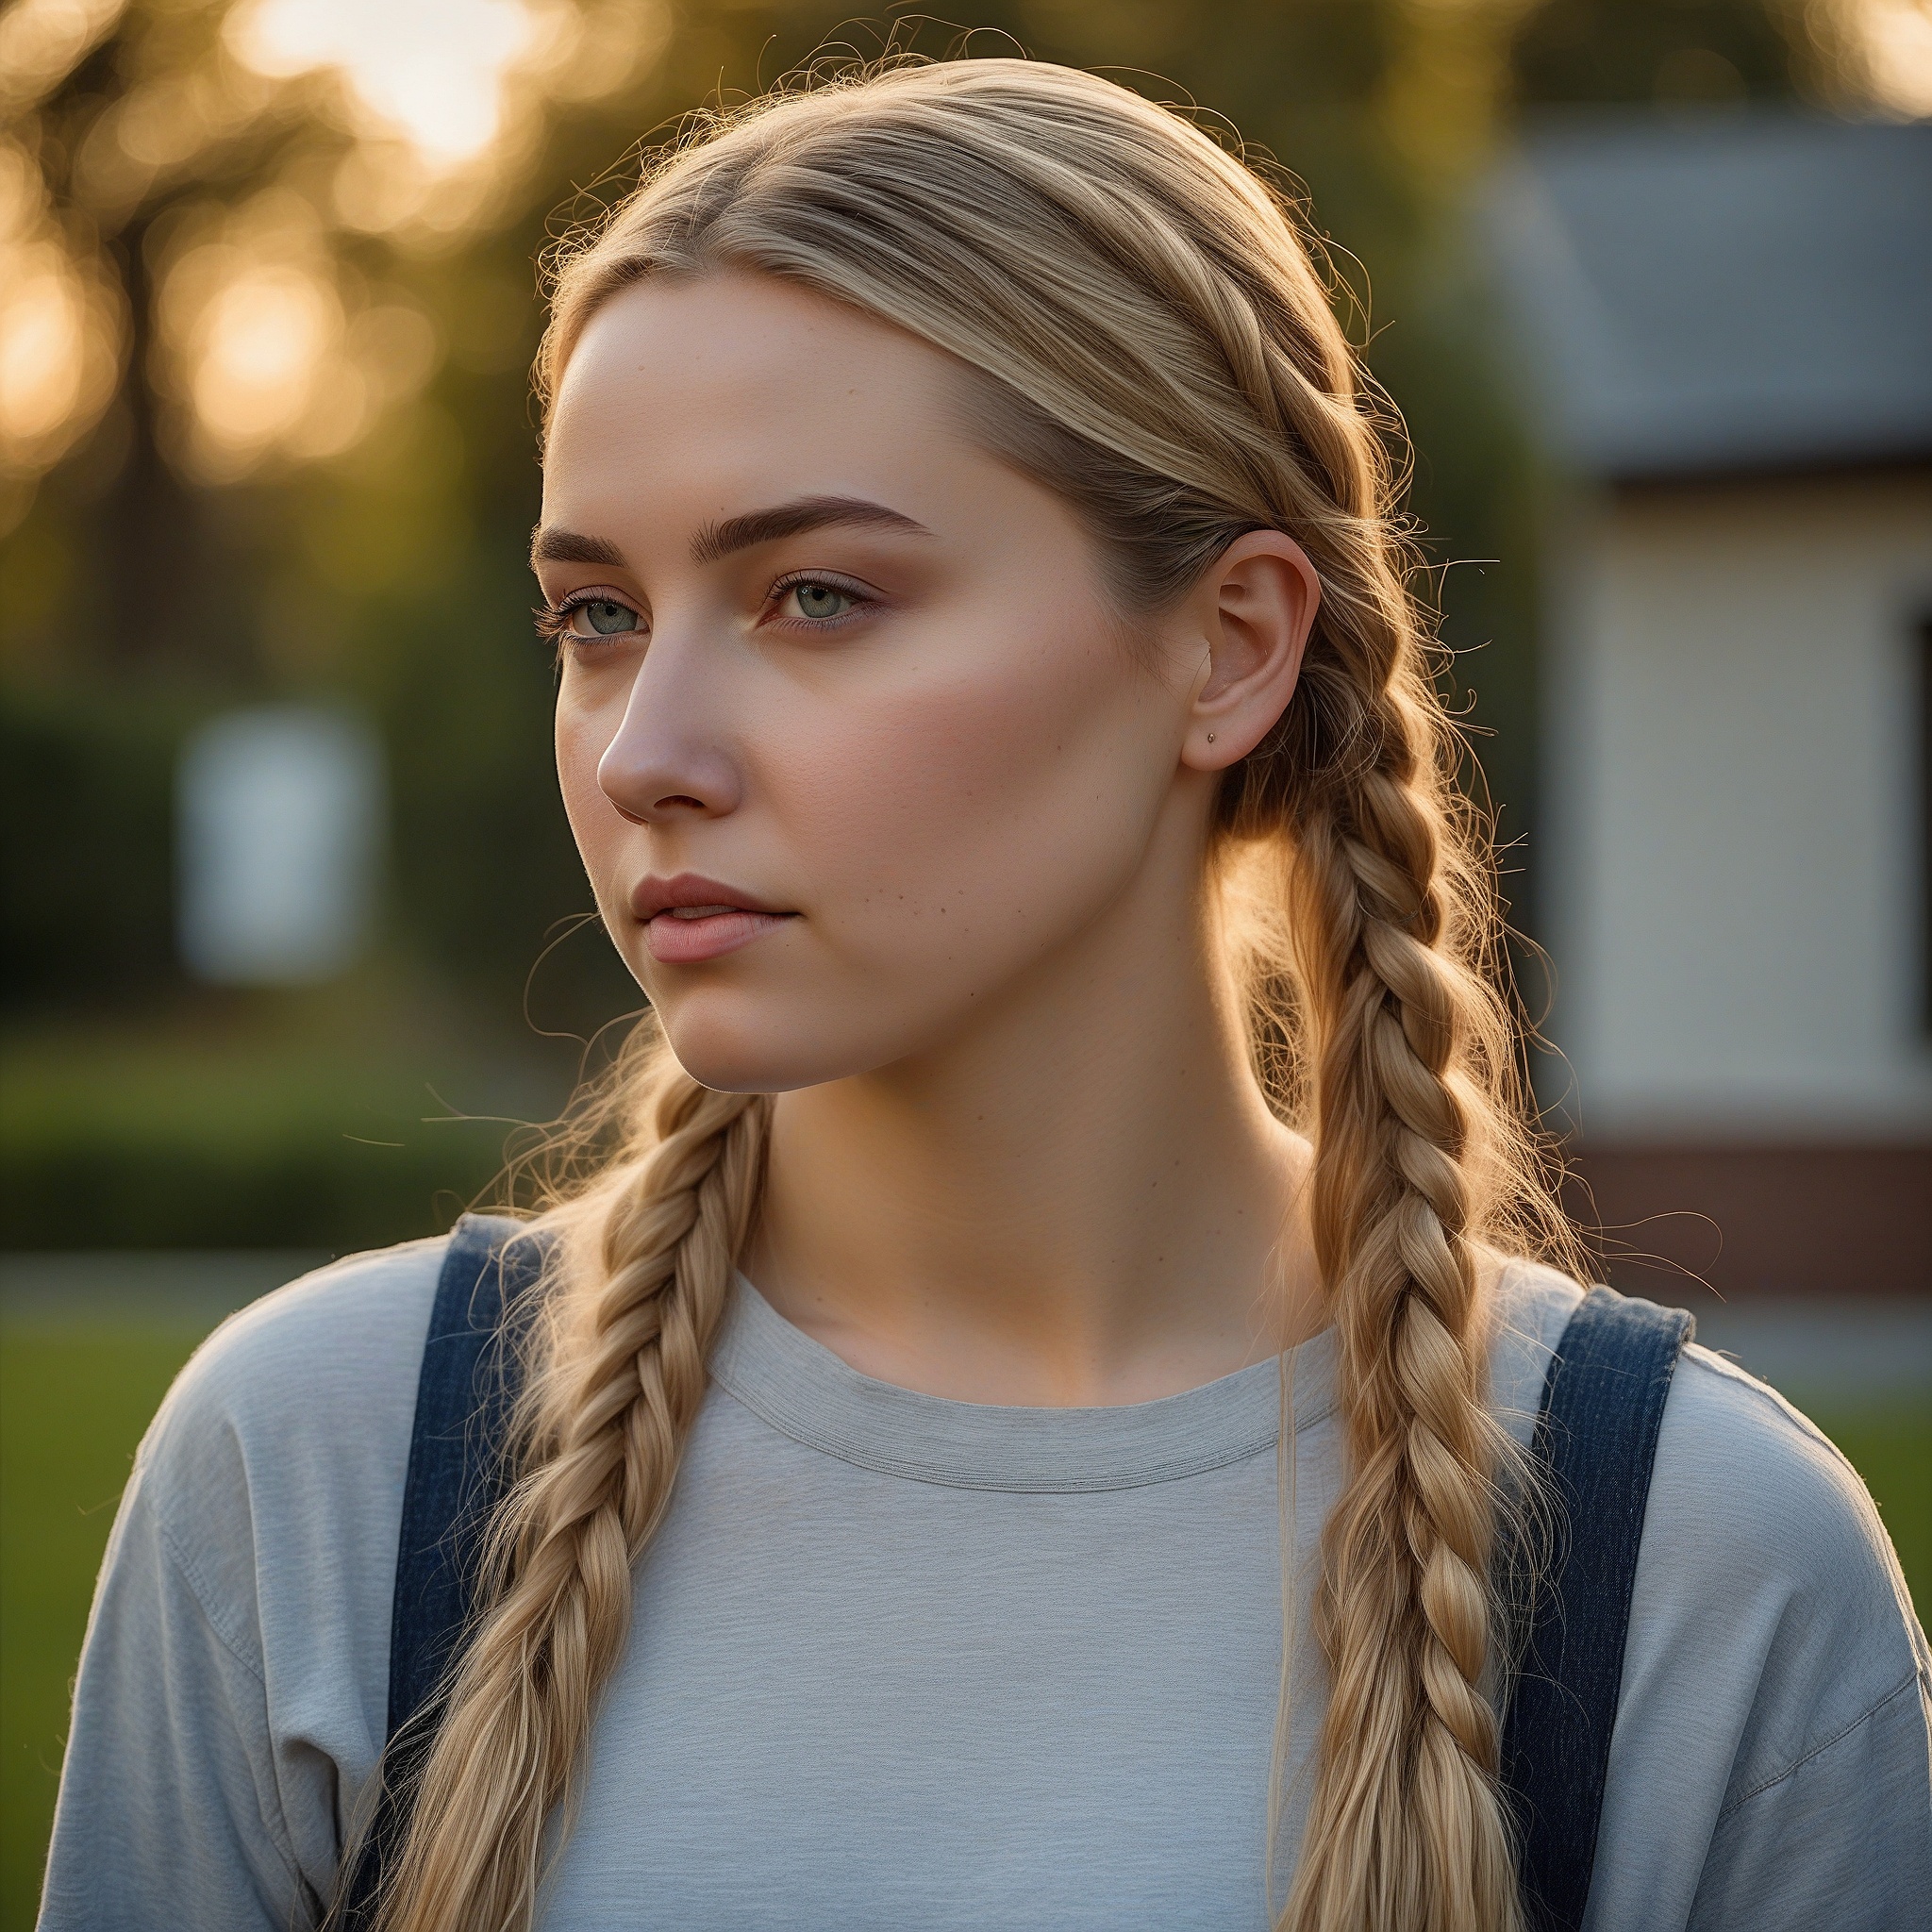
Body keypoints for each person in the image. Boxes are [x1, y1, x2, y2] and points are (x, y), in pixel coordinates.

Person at [39, 57, 1929, 1932]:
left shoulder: (1694, 1570)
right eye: (597, 615)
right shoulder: (324, 1479)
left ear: (1226, 645)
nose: (644, 753)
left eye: (819, 597)